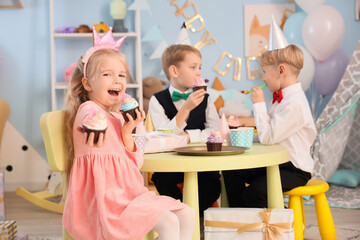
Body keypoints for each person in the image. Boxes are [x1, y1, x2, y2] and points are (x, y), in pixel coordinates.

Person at [62, 28, 195, 240]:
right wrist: (95, 125)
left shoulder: (118, 118)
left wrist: (128, 132)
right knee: (169, 222)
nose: (117, 80)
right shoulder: (89, 110)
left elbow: (136, 163)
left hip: (131, 195)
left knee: (187, 214)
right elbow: (92, 122)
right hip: (104, 201)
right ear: (88, 83)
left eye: (121, 75)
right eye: (107, 74)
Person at [222, 44, 317, 208]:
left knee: (254, 194)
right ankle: (238, 220)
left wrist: (259, 104)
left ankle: (284, 224)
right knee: (231, 172)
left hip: (294, 169)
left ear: (281, 70)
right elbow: (270, 135)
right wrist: (240, 138)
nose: (263, 78)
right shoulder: (281, 99)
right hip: (277, 163)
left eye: (264, 71)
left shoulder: (295, 104)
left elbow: (268, 138)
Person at [148, 44, 221, 216]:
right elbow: (164, 134)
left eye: (200, 68)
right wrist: (185, 109)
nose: (199, 73)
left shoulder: (206, 98)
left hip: (202, 161)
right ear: (174, 71)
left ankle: (191, 217)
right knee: (161, 179)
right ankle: (181, 216)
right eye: (193, 67)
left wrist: (189, 136)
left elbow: (215, 131)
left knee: (212, 185)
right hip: (173, 161)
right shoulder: (157, 100)